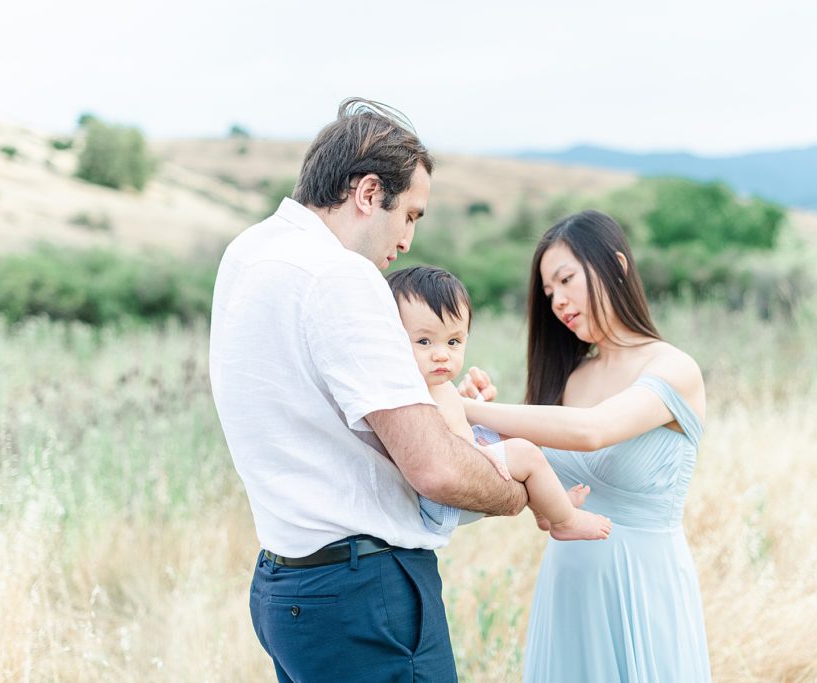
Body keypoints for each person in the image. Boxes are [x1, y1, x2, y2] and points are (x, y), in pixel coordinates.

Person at [208, 98, 528, 683]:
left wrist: (451, 407)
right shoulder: (340, 275)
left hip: (287, 585)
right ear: (367, 192)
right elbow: (434, 469)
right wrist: (516, 487)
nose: (407, 241)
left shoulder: (248, 252)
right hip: (364, 596)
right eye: (410, 215)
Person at [459, 210, 712, 682]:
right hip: (568, 585)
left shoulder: (672, 368)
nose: (557, 301)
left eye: (566, 279)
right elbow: (530, 471)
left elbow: (593, 430)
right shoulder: (571, 377)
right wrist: (482, 424)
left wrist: (469, 413)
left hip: (642, 583)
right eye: (549, 292)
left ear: (616, 265)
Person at [386, 265, 612, 541]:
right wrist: (484, 450)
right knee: (525, 452)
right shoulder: (406, 388)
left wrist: (472, 403)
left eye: (453, 341)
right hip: (440, 501)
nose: (442, 354)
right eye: (424, 341)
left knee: (516, 433)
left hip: (464, 465)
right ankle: (566, 520)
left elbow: (454, 421)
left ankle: (544, 509)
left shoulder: (438, 385)